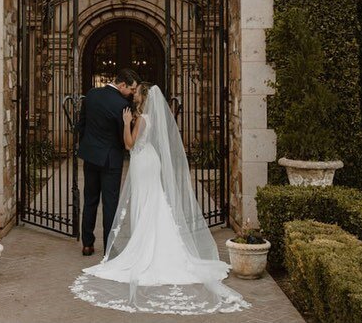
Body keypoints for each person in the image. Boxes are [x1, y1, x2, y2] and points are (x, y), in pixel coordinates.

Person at [71, 84, 251, 314]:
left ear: (143, 97)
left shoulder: (143, 118)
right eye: (132, 90)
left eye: (136, 92)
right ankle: (137, 243)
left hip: (143, 162)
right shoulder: (147, 117)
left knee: (145, 203)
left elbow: (129, 144)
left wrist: (126, 124)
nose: (132, 95)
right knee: (152, 202)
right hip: (148, 161)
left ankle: (143, 247)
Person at [76, 68, 139, 256]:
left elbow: (82, 124)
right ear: (121, 85)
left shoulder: (91, 94)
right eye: (132, 89)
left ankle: (87, 244)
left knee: (90, 200)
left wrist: (88, 144)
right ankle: (108, 248)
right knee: (110, 203)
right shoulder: (122, 105)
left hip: (90, 156)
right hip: (111, 159)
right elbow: (123, 137)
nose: (133, 93)